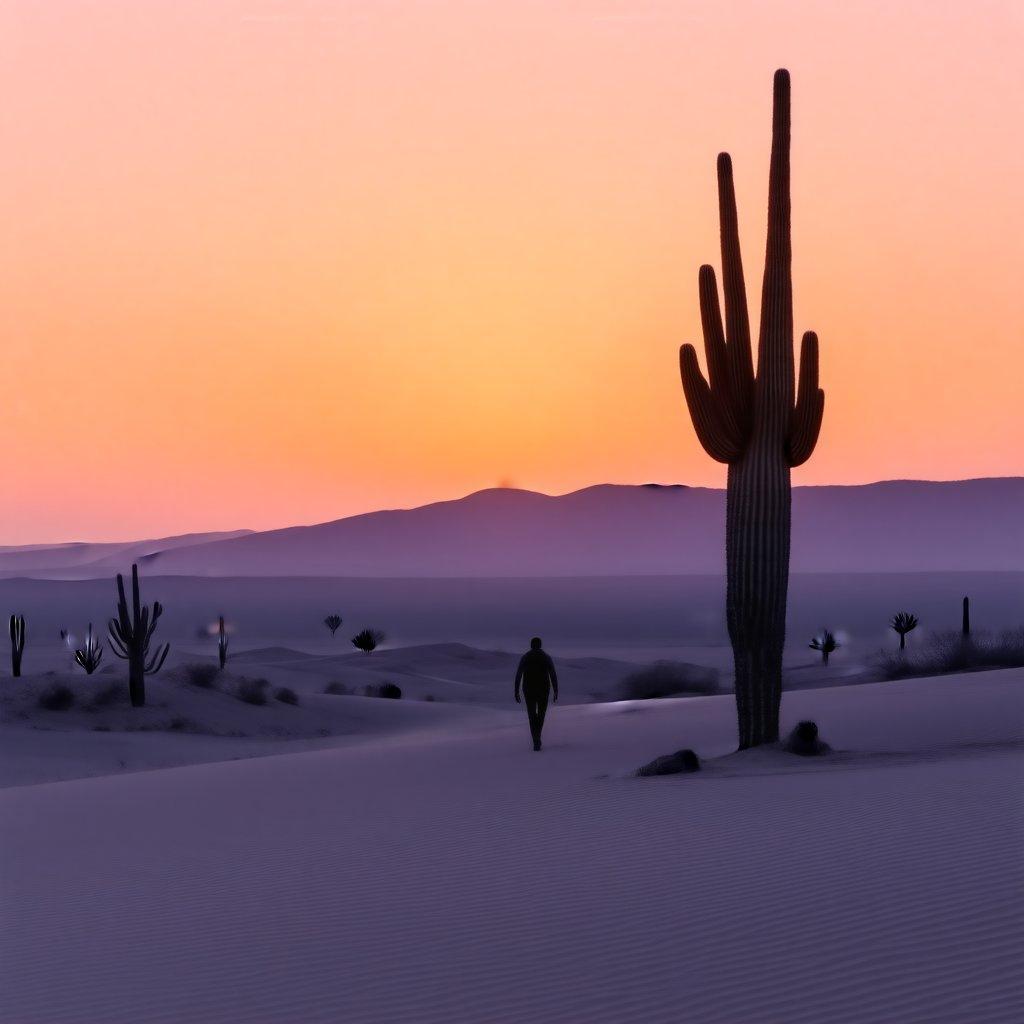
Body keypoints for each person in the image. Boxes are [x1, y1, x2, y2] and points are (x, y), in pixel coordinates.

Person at [514, 637, 558, 751]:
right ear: (540, 645)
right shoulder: (546, 657)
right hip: (543, 689)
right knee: (541, 715)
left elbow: (519, 674)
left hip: (529, 689)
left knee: (532, 715)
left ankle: (536, 739)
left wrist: (516, 690)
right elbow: (552, 674)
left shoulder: (526, 657)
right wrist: (556, 690)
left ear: (531, 645)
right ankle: (537, 737)